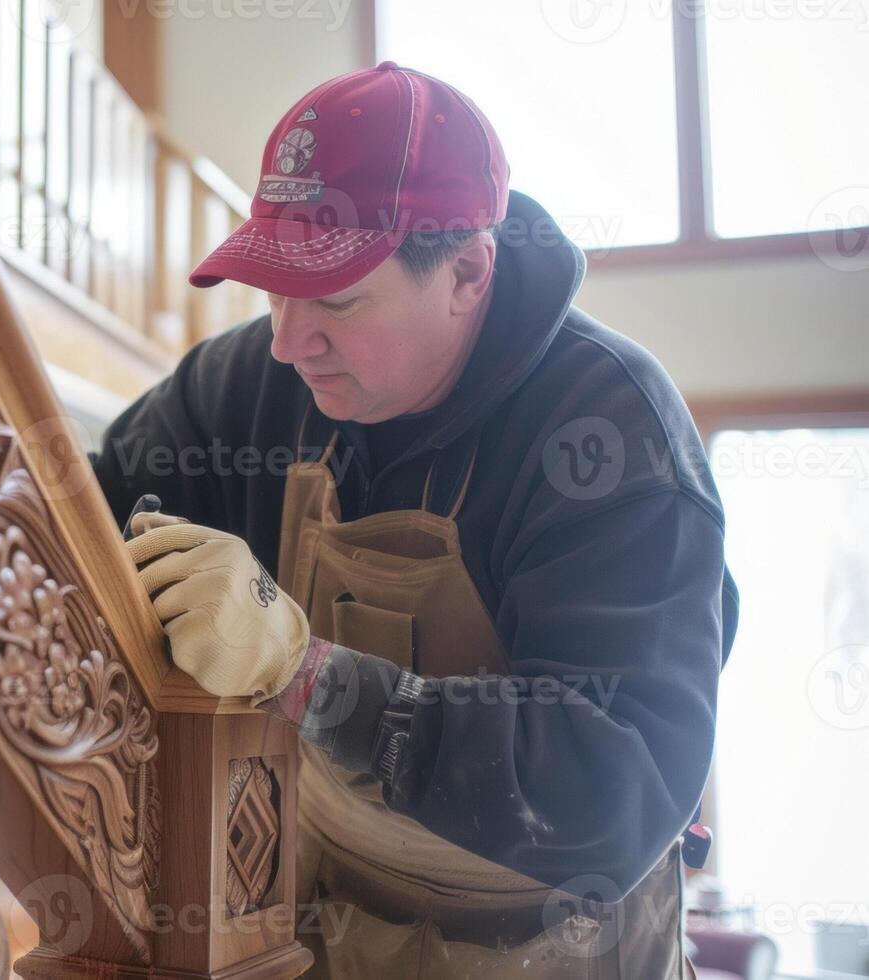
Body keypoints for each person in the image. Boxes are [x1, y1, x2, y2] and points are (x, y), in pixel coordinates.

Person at [94, 62, 737, 979]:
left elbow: (616, 785)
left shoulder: (606, 436)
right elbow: (91, 513)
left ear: (468, 271)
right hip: (317, 922)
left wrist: (307, 675)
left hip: (553, 946)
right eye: (272, 288)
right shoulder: (247, 386)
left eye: (337, 298)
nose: (286, 339)